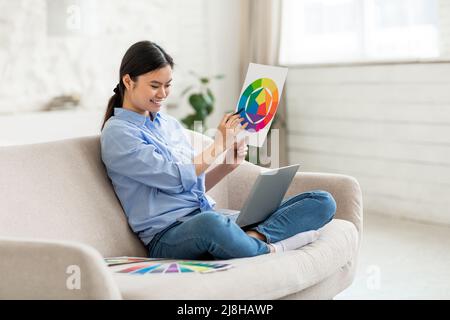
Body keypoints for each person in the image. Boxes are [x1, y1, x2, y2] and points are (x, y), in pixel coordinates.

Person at [100, 40, 336, 260]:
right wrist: (219, 144)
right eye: (154, 86)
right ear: (128, 81)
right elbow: (174, 178)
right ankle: (272, 247)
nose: (163, 94)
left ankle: (253, 238)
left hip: (208, 217)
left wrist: (226, 166)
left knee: (322, 201)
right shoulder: (118, 134)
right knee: (211, 224)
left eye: (168, 85)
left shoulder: (167, 124)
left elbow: (189, 187)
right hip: (168, 235)